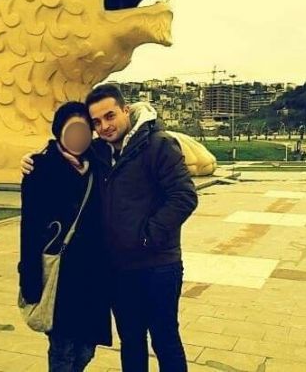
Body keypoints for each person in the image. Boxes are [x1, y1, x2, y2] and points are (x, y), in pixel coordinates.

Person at [22, 85, 198, 372]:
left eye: (110, 116)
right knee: (131, 340)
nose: (105, 126)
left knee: (164, 338)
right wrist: (35, 160)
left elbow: (184, 197)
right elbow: (63, 146)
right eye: (97, 122)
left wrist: (146, 237)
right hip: (120, 269)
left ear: (125, 110)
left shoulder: (159, 145)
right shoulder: (100, 152)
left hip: (158, 265)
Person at [18, 101, 112, 372]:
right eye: (72, 131)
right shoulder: (41, 168)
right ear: (59, 132)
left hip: (93, 276)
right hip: (61, 276)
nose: (77, 137)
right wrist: (29, 277)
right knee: (63, 350)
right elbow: (29, 226)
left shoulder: (98, 163)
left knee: (86, 350)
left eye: (83, 131)